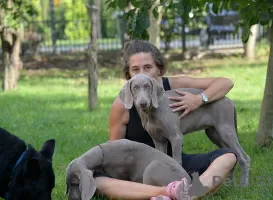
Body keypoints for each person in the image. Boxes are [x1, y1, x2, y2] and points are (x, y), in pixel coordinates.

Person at [93, 39, 237, 200]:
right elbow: (115, 150)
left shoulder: (174, 85)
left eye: (147, 67)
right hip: (136, 171)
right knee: (96, 179)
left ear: (159, 69)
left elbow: (225, 83)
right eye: (135, 69)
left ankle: (187, 195)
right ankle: (166, 193)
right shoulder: (122, 105)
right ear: (129, 75)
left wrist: (198, 99)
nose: (141, 74)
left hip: (175, 166)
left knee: (228, 156)